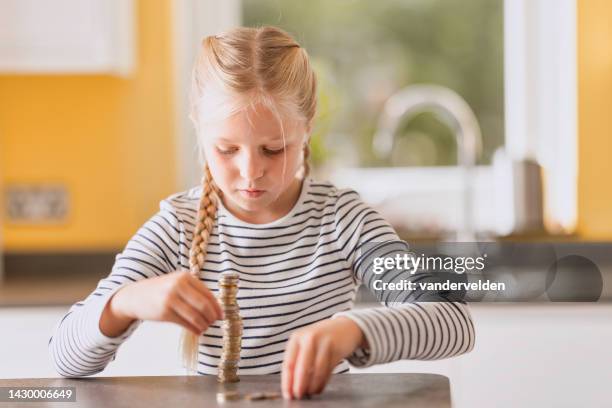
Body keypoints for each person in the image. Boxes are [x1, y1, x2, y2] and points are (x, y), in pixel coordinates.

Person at [48, 26, 475, 400]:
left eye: (274, 149)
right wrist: (124, 302)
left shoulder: (344, 220)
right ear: (199, 126)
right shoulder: (177, 226)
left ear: (307, 127)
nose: (251, 172)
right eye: (227, 149)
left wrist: (355, 330)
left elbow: (454, 323)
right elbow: (65, 357)